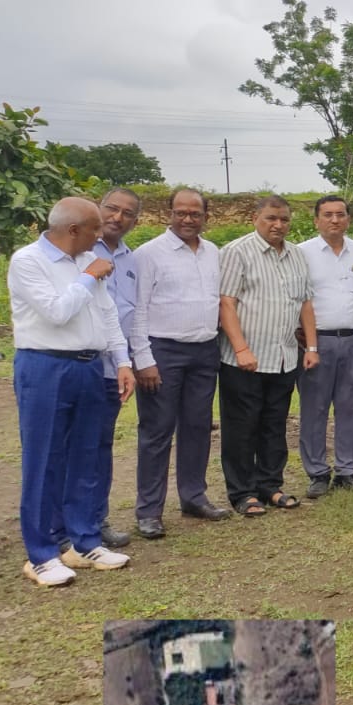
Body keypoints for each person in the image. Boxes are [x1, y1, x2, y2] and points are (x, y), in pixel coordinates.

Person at [9, 197, 135, 585]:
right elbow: (56, 312)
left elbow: (107, 314)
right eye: (96, 228)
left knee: (87, 456)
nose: (102, 234)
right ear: (74, 230)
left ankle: (83, 542)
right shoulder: (28, 261)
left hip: (88, 365)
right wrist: (89, 278)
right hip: (44, 365)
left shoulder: (86, 261)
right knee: (44, 458)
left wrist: (123, 360)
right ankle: (41, 554)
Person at [130, 188, 227, 539]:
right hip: (162, 352)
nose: (188, 219)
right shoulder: (148, 254)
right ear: (168, 213)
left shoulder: (213, 252)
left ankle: (194, 496)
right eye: (181, 212)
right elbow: (138, 309)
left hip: (204, 350)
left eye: (195, 214)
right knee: (157, 432)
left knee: (198, 427)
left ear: (205, 217)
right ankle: (149, 511)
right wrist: (143, 359)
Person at [217, 195, 319, 517]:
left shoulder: (297, 255)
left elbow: (304, 303)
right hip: (245, 359)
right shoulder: (236, 252)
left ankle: (270, 485)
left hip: (285, 356)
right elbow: (226, 303)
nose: (278, 225)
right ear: (255, 218)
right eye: (271, 218)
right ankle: (242, 492)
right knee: (242, 426)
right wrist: (241, 348)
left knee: (274, 424)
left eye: (284, 219)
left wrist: (312, 347)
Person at [298, 195, 353, 498]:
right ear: (317, 219)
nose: (335, 220)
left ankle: (347, 470)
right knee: (314, 408)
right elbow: (297, 296)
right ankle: (318, 472)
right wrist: (308, 342)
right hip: (318, 342)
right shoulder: (302, 252)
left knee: (351, 408)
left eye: (341, 214)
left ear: (348, 218)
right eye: (328, 215)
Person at [87, 187, 140, 550]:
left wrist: (130, 362)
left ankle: (95, 519)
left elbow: (130, 315)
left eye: (127, 213)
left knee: (101, 445)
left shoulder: (131, 259)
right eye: (112, 208)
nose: (118, 217)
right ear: (98, 208)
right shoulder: (78, 253)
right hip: (82, 365)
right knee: (73, 446)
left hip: (114, 370)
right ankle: (62, 526)